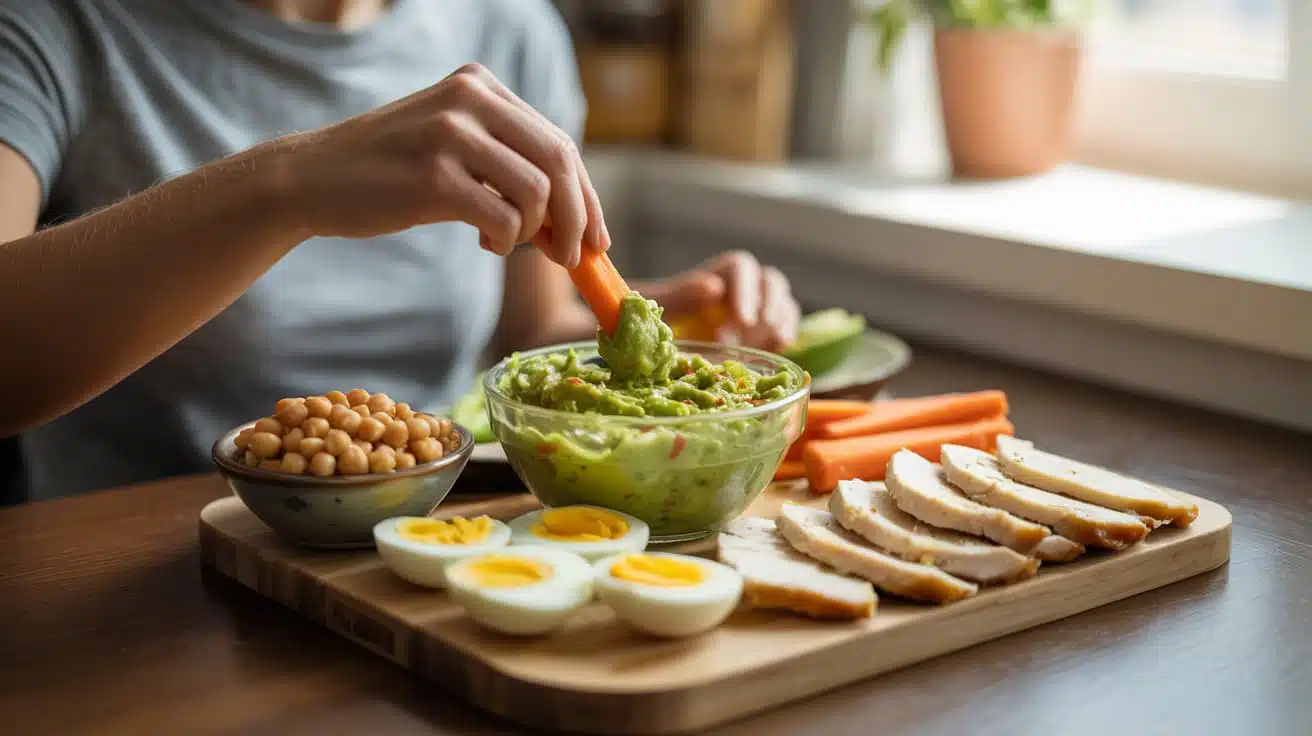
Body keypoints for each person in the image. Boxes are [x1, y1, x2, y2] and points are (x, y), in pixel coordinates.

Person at [0, 0, 801, 501]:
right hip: (132, 589)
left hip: (434, 551)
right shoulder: (51, 23)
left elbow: (531, 331)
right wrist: (286, 185)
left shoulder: (511, 28)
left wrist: (666, 321)